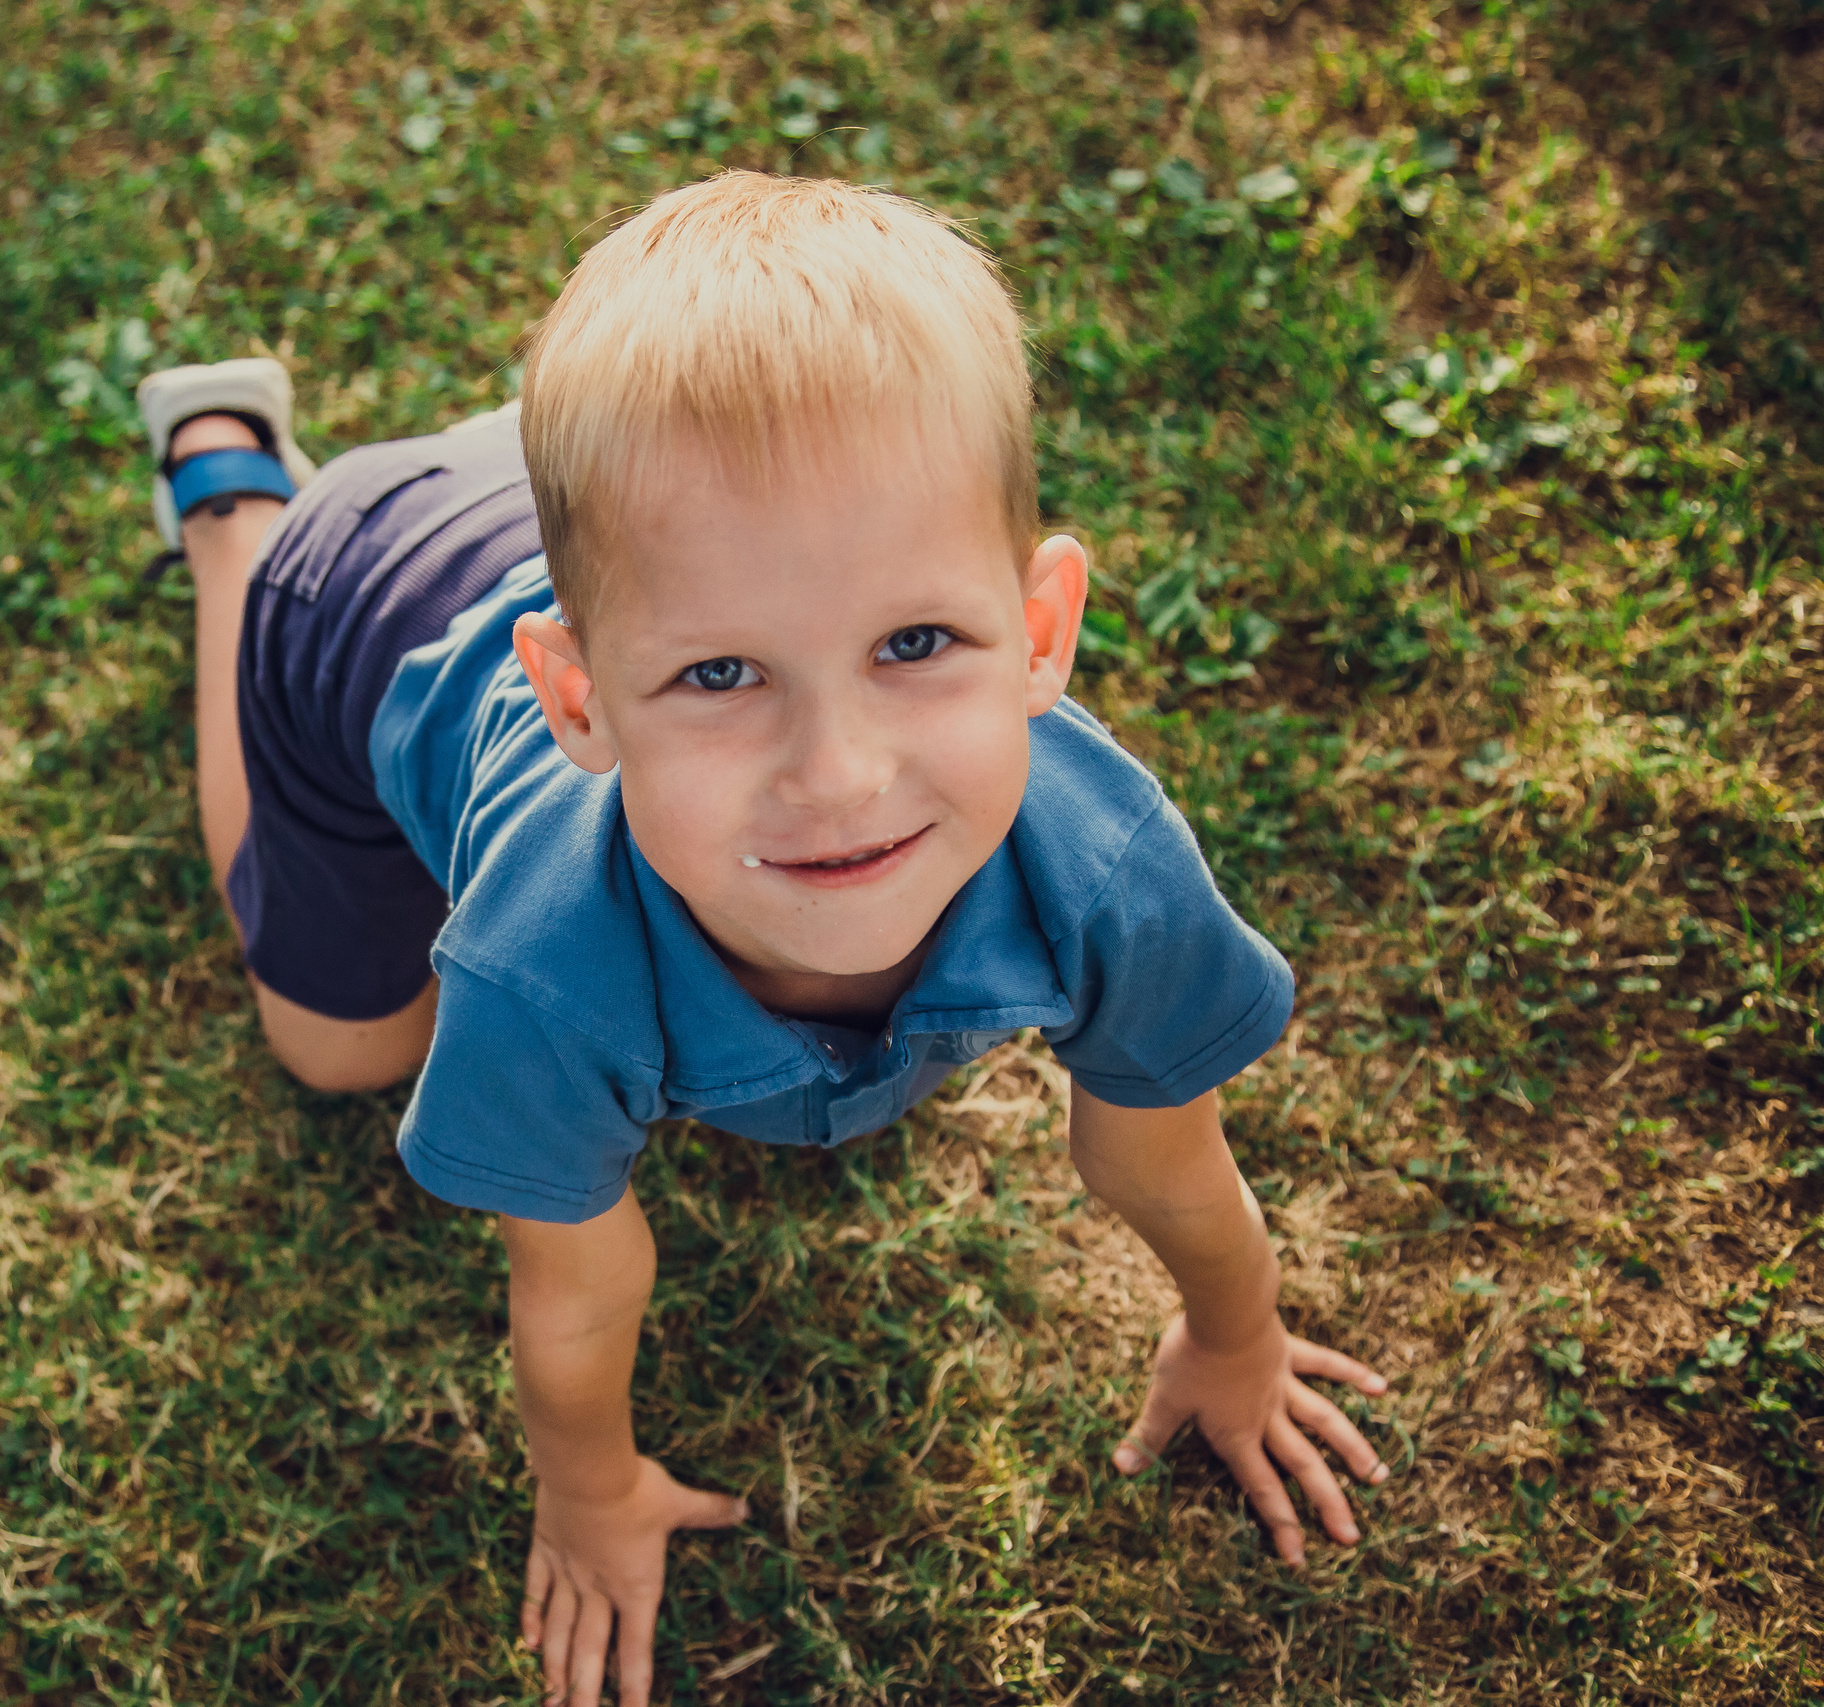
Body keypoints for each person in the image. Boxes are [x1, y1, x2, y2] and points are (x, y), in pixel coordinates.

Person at [137, 171, 1392, 1707]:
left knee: (671, 543)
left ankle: (587, 498)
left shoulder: (1108, 865)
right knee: (339, 1049)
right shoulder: (541, 964)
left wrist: (1237, 1340)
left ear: (1043, 633)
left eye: (916, 644)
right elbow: (579, 1285)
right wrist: (589, 1490)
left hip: (609, 546)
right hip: (370, 600)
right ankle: (235, 506)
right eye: (724, 674)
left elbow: (1159, 1151)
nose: (840, 775)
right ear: (582, 699)